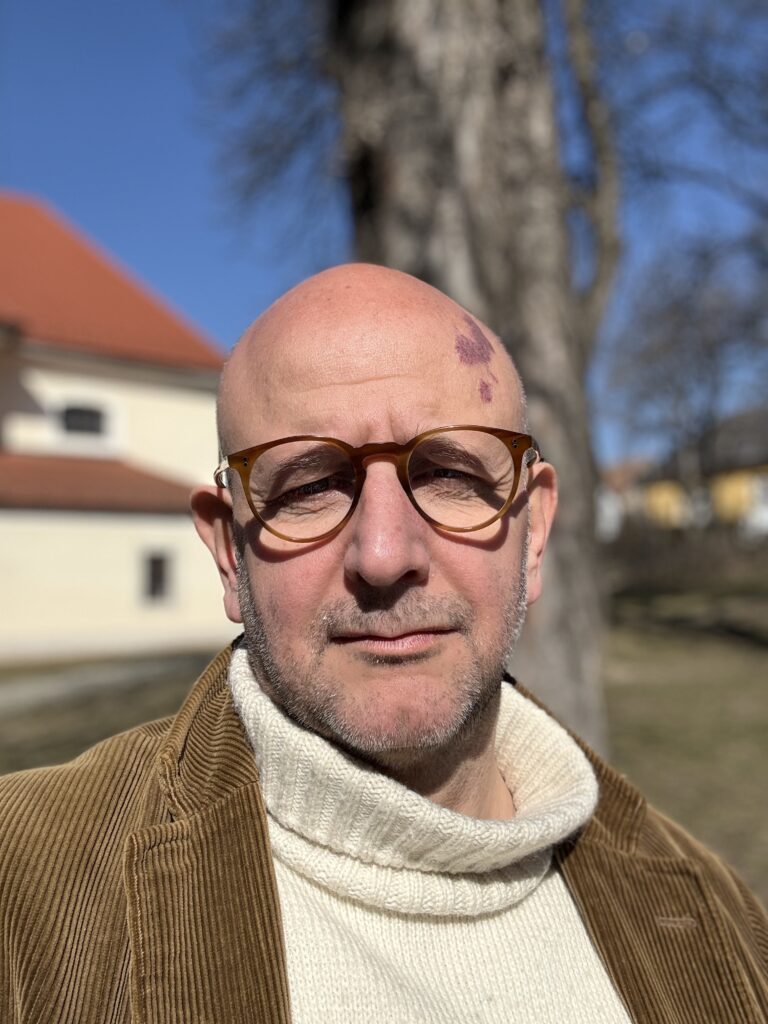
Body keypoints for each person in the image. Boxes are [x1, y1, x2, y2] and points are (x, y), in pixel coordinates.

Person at [0, 264, 765, 1024]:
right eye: (309, 485)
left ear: (532, 532)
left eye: (449, 474)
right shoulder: (23, 893)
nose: (385, 554)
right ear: (230, 553)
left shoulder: (724, 921)